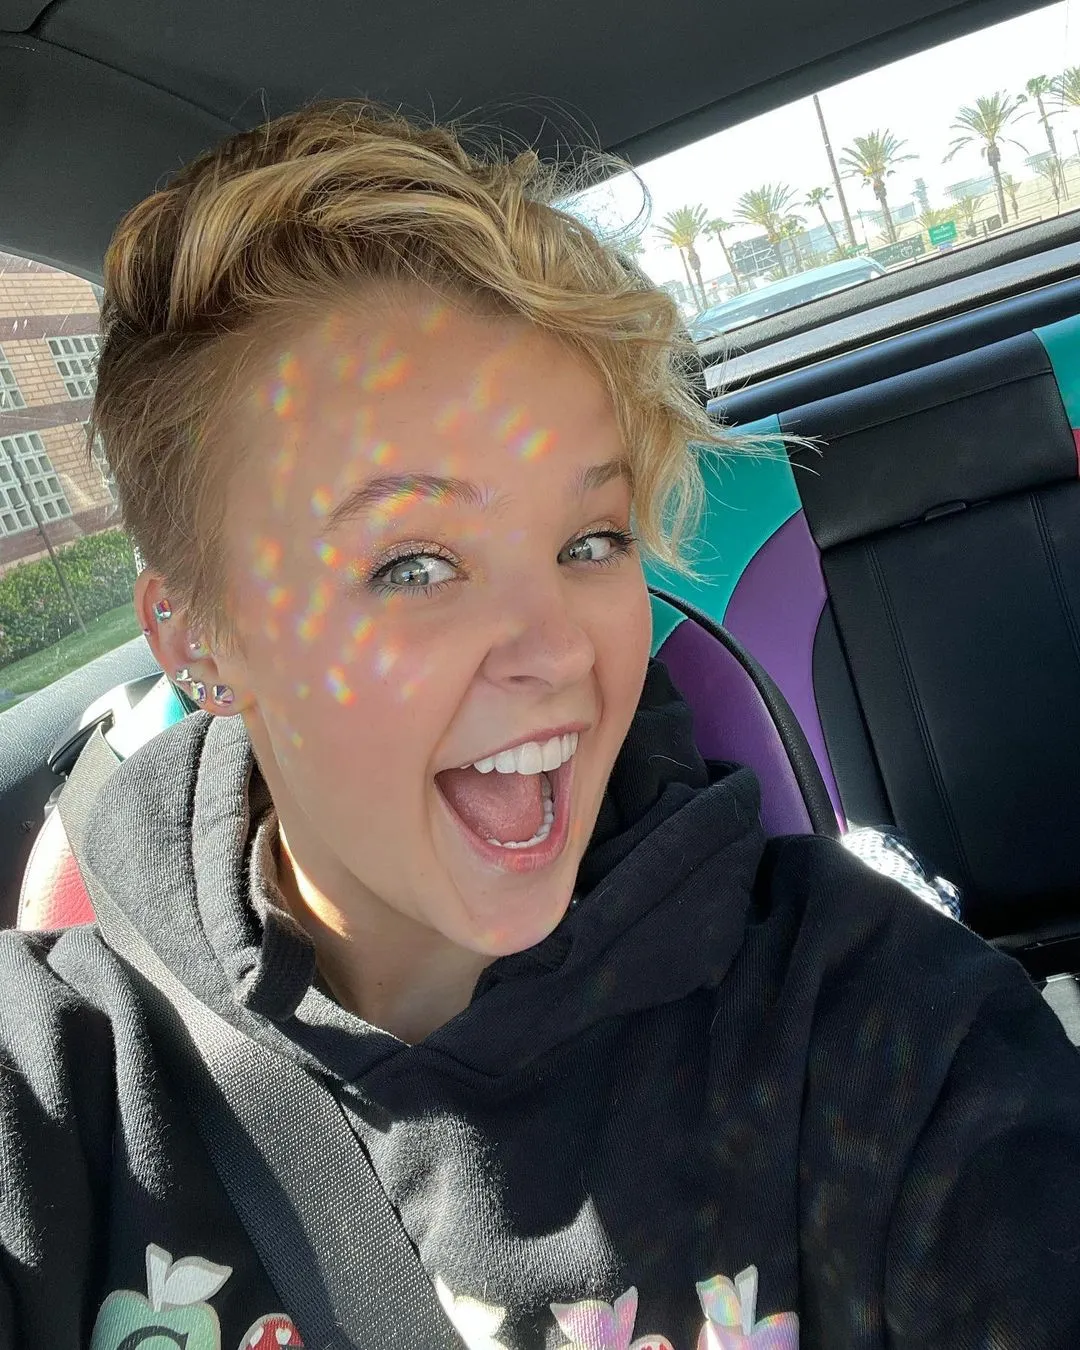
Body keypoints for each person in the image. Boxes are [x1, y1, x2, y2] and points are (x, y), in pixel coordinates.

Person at [2, 102, 1080, 1350]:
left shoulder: (872, 1026)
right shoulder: (55, 1089)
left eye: (590, 541)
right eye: (413, 564)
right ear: (199, 636)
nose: (561, 649)